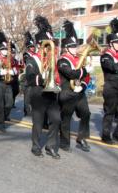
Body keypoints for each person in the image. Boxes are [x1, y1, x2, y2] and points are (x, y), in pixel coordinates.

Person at [26, 16, 61, 159]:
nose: (49, 47)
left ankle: (50, 146)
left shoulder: (52, 59)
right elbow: (29, 78)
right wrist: (42, 78)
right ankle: (35, 146)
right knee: (38, 122)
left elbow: (58, 76)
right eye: (47, 45)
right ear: (41, 45)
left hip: (51, 93)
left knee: (56, 119)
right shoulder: (32, 59)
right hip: (37, 93)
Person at [57, 20, 91, 152]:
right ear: (66, 48)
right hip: (67, 92)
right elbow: (70, 73)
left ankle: (82, 138)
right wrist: (85, 70)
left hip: (79, 92)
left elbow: (85, 78)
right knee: (66, 118)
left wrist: (82, 85)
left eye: (75, 46)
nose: (75, 49)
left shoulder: (79, 58)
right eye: (72, 47)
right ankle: (64, 142)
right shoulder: (62, 60)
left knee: (86, 113)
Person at [100, 17, 118, 144]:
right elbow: (111, 67)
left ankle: (117, 134)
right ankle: (106, 135)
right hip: (111, 87)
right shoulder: (106, 56)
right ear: (111, 43)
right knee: (110, 112)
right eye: (117, 42)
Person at [22, 31, 36, 116]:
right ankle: (26, 110)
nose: (33, 48)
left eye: (33, 47)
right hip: (27, 76)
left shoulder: (35, 54)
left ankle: (31, 109)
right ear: (28, 47)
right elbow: (28, 62)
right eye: (31, 47)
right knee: (27, 95)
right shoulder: (26, 54)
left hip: (34, 76)